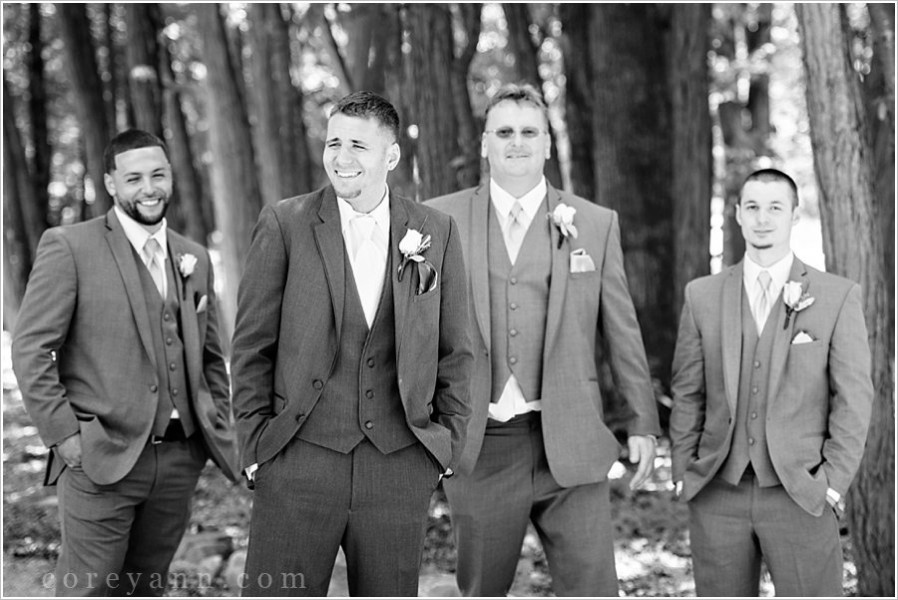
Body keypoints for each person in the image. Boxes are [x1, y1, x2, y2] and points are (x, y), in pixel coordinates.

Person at [230, 90, 473, 597]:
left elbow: (456, 350)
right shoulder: (285, 223)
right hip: (298, 459)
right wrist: (256, 447)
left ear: (391, 155)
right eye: (334, 142)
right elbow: (252, 346)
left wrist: (441, 448)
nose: (341, 157)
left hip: (397, 464)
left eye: (358, 145)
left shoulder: (434, 231)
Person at [426, 83, 661, 596]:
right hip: (480, 445)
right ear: (485, 142)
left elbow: (621, 329)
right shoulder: (437, 220)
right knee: (481, 591)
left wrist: (643, 420)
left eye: (529, 131)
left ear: (548, 144)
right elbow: (414, 331)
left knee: (593, 590)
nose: (517, 142)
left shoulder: (594, 224)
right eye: (504, 131)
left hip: (572, 441)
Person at [11, 129, 239, 596]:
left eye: (158, 175)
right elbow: (31, 348)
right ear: (111, 184)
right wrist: (66, 438)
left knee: (147, 587)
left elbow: (212, 355)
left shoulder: (194, 257)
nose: (149, 188)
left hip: (179, 458)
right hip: (100, 456)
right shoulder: (70, 246)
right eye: (134, 178)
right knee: (88, 589)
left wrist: (215, 425)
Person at [669, 168, 873, 596]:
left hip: (801, 493)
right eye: (753, 207)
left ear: (794, 215)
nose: (763, 218)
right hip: (717, 492)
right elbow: (688, 391)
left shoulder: (836, 296)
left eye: (775, 208)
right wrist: (684, 469)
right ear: (738, 215)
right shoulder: (701, 295)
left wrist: (831, 486)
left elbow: (853, 399)